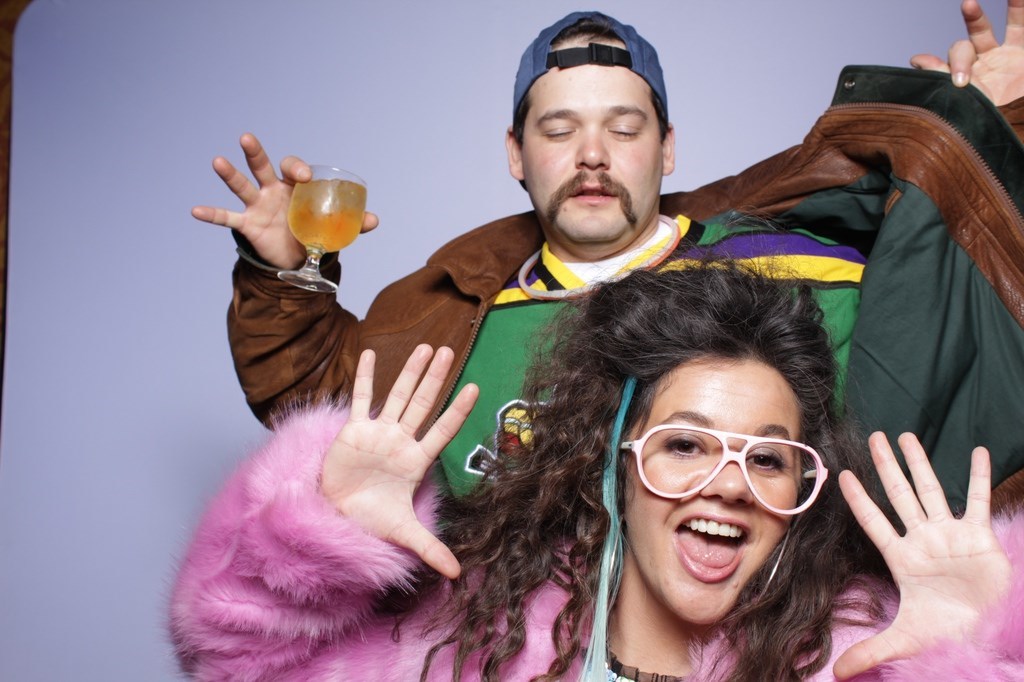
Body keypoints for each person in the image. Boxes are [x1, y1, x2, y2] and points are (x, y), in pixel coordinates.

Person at [194, 2, 1024, 506]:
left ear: (668, 149)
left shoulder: (797, 276)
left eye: (624, 129)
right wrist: (286, 272)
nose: (592, 155)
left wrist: (995, 137)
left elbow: (966, 373)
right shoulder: (452, 309)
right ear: (516, 154)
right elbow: (317, 406)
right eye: (559, 130)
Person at [169, 264, 1024, 680]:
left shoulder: (858, 656)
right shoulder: (470, 645)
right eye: (686, 444)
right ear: (612, 461)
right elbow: (234, 660)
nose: (731, 484)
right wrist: (317, 536)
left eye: (768, 458)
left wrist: (978, 652)